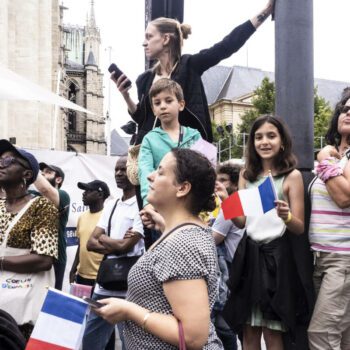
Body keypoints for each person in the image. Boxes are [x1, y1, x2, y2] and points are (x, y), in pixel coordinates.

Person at [94, 148, 223, 349]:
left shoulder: (181, 244)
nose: (150, 176)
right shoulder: (183, 234)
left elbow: (193, 337)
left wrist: (129, 311)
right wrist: (165, 224)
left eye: (161, 172)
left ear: (182, 188)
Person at [113, 0, 275, 145]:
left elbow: (227, 46)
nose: (144, 43)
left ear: (166, 39)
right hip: (154, 151)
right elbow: (142, 118)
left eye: (149, 37)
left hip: (186, 149)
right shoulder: (145, 80)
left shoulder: (189, 65)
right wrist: (126, 95)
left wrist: (265, 12)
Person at [220, 115, 305, 350]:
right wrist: (226, 200)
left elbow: (299, 227)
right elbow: (241, 222)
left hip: (276, 260)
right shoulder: (246, 175)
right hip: (249, 258)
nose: (264, 142)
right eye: (258, 137)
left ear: (283, 142)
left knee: (273, 331)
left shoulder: (292, 176)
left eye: (271, 136)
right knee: (248, 332)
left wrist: (286, 215)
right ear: (252, 143)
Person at [82, 156, 144, 350]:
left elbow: (125, 247)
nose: (118, 173)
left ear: (134, 172)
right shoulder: (112, 204)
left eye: (123, 169)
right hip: (105, 285)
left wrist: (106, 239)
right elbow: (91, 243)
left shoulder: (142, 206)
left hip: (131, 285)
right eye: (116, 169)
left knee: (130, 342)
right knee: (90, 340)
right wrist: (115, 243)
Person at [0, 140, 58, 340]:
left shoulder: (41, 207)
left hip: (23, 310)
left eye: (8, 160)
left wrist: (1, 262)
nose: (1, 164)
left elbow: (44, 260)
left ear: (27, 175)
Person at [308, 90, 350, 349]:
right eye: (345, 109)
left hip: (343, 259)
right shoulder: (339, 157)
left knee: (321, 334)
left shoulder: (329, 158)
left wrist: (323, 160)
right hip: (322, 258)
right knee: (342, 336)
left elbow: (344, 197)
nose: (349, 113)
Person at [138, 77, 201, 209]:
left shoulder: (195, 135)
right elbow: (145, 172)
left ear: (181, 104)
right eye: (157, 103)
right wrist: (148, 203)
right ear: (153, 109)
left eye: (168, 100)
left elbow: (206, 168)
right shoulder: (149, 139)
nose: (163, 106)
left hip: (190, 204)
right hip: (162, 206)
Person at [212, 163, 244, 350]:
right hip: (238, 271)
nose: (218, 184)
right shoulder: (237, 203)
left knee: (224, 327)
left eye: (223, 180)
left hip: (231, 274)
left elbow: (213, 239)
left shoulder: (229, 205)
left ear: (234, 183)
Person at [35, 162, 70, 290]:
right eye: (42, 172)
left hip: (56, 257)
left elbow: (45, 190)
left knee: (51, 298)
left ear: (58, 179)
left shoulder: (63, 194)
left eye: (48, 172)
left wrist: (30, 167)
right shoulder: (32, 195)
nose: (43, 174)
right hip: (34, 255)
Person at [69, 180, 110, 287]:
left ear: (100, 194)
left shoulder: (108, 217)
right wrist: (73, 269)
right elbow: (81, 245)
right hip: (81, 276)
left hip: (100, 278)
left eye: (89, 190)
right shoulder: (82, 217)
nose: (84, 193)